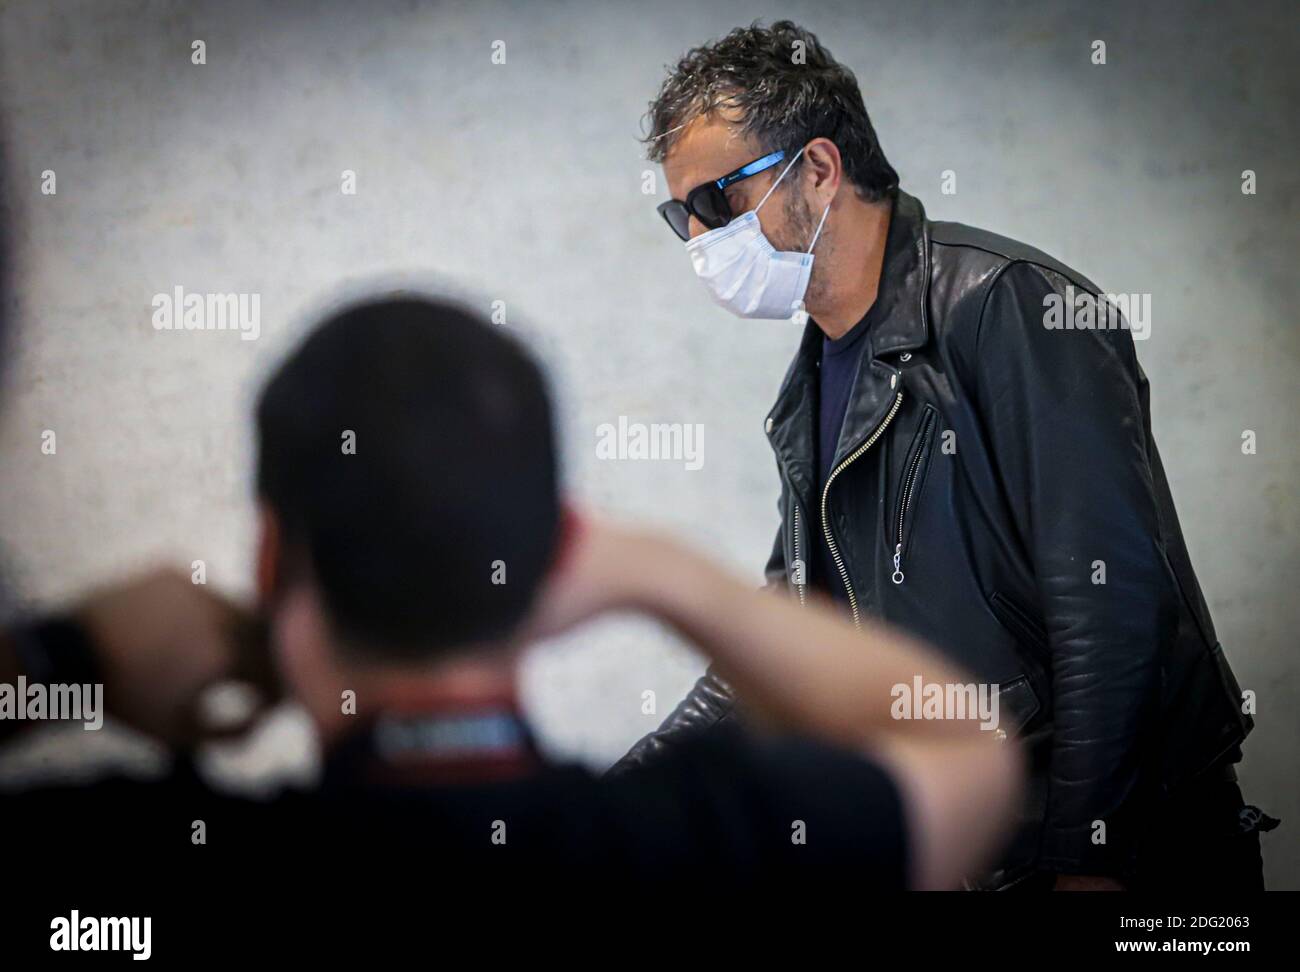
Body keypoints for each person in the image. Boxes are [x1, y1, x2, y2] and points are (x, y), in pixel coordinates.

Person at [0, 295, 1022, 890]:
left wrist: (59, 657)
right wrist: (667, 576)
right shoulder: (711, 850)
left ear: (272, 558)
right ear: (552, 555)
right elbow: (963, 744)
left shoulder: (106, 857)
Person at [623, 20, 1272, 890]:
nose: (701, 240)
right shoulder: (813, 382)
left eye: (717, 204)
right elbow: (786, 635)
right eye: (681, 216)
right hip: (965, 844)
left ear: (819, 169)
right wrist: (604, 812)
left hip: (1117, 854)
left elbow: (1113, 611)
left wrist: (1087, 859)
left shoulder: (1009, 308)